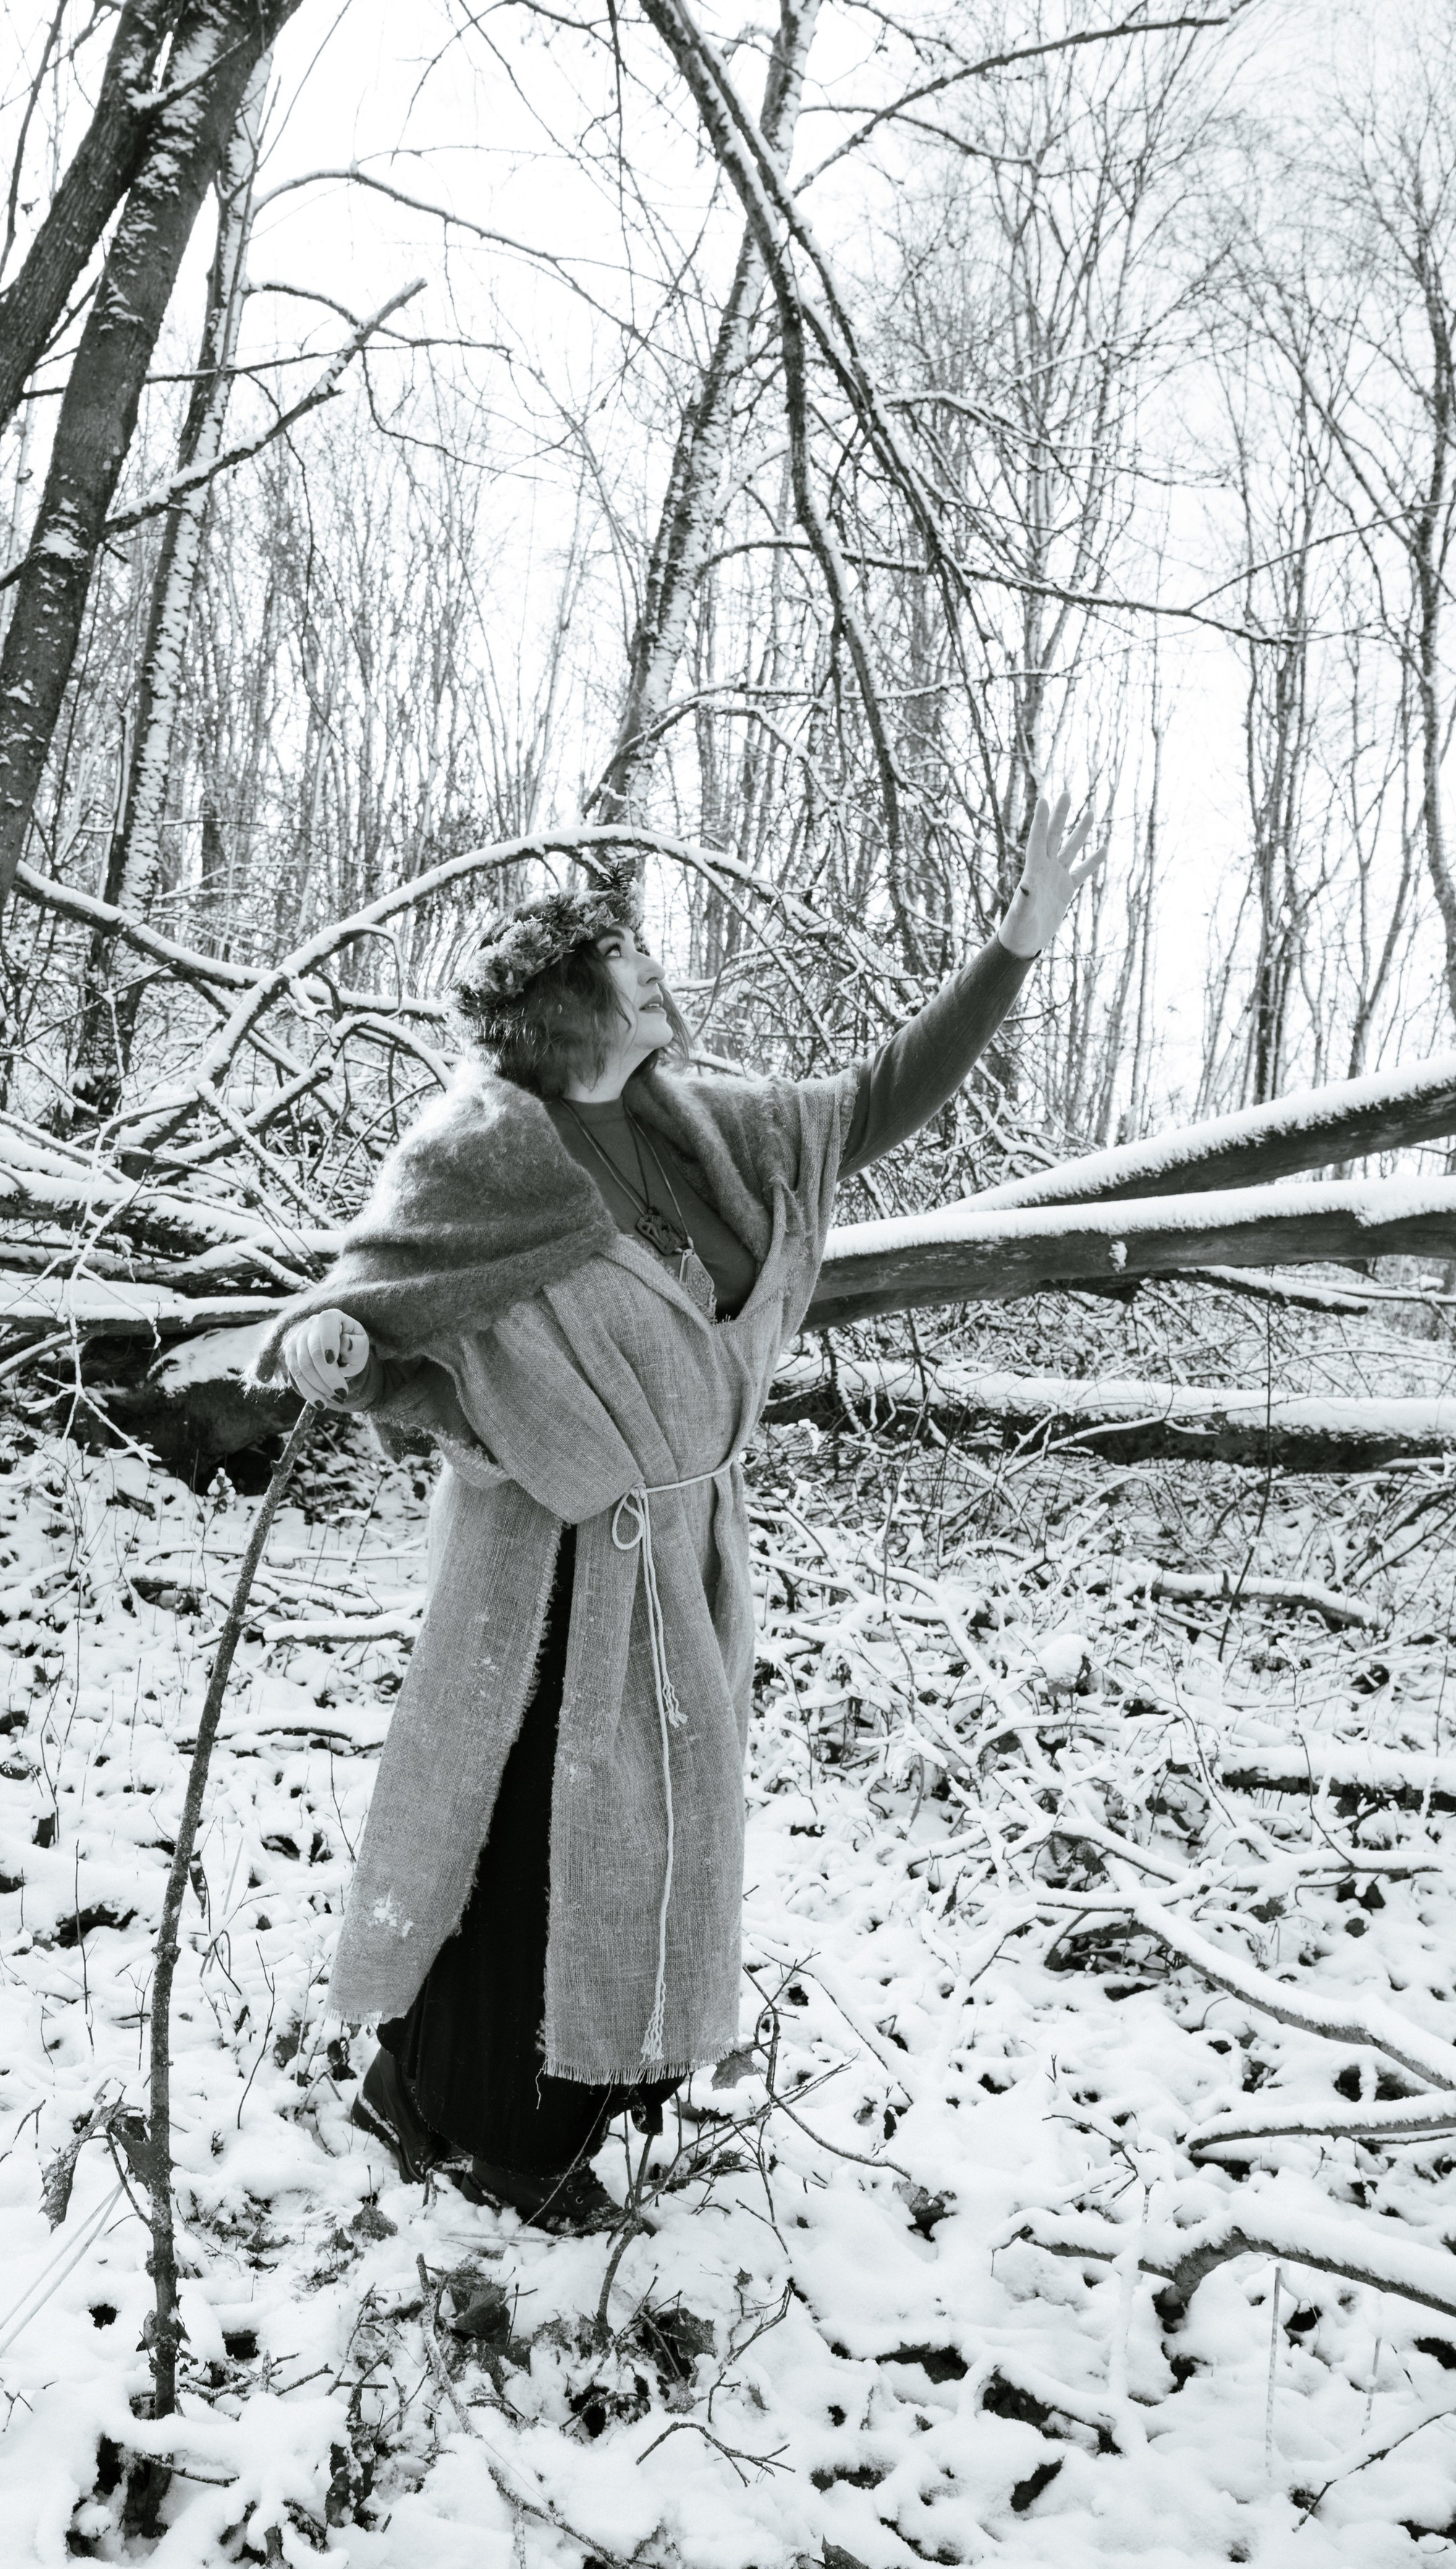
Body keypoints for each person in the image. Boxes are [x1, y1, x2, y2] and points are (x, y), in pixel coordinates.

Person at [261, 796, 1102, 2230]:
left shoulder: (703, 1121)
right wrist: (329, 1355)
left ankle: (570, 2102)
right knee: (526, 1831)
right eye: (628, 978)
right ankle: (466, 2128)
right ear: (566, 1018)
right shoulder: (477, 1152)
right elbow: (360, 1315)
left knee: (640, 1835)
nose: (658, 985)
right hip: (538, 1569)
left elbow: (875, 1098)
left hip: (675, 1550)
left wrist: (1009, 951)